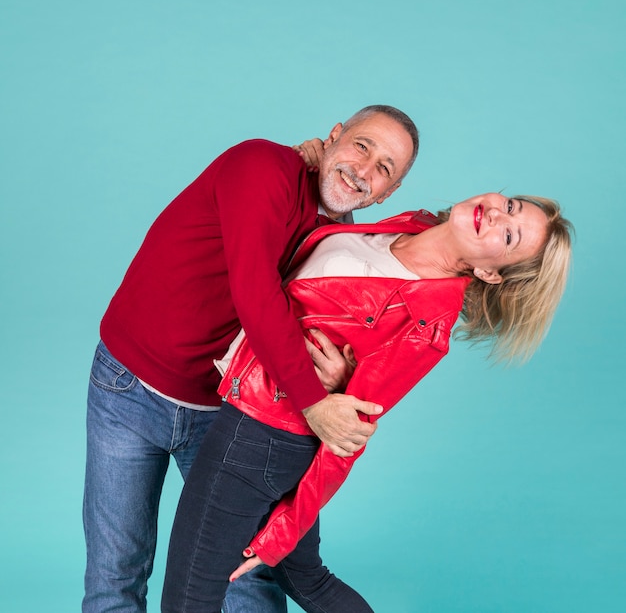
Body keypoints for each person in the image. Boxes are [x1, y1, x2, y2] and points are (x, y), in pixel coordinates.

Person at [161, 192, 573, 612]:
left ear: (489, 272)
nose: (498, 214)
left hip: (262, 433)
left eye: (508, 235)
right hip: (262, 420)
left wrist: (283, 531)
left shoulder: (426, 325)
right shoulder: (411, 224)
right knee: (309, 580)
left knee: (189, 599)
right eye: (512, 206)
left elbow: (350, 434)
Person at [82, 105, 420, 613]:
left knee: (246, 579)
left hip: (226, 414)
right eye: (361, 146)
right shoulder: (261, 166)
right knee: (116, 576)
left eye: (385, 168)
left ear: (388, 194)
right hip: (129, 387)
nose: (364, 169)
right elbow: (255, 290)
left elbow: (337, 336)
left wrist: (339, 375)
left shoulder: (338, 244)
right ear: (334, 136)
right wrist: (312, 402)